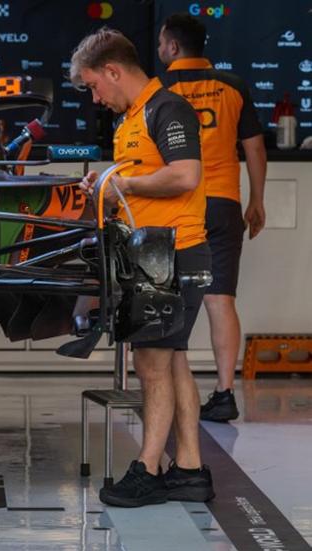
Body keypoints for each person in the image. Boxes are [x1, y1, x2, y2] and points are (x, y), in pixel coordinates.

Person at [70, 28, 214, 507]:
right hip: (153, 255)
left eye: (94, 86)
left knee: (150, 364)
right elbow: (140, 181)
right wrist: (110, 186)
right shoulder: (130, 120)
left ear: (113, 71)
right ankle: (189, 470)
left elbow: (185, 175)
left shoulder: (167, 109)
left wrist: (125, 185)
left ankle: (147, 469)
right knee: (172, 362)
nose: (95, 98)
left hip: (175, 254)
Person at [158, 13, 267, 423]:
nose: (160, 50)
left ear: (172, 47)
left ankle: (170, 386)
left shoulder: (160, 90)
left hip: (178, 203)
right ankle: (224, 393)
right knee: (221, 300)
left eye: (161, 43)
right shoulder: (233, 86)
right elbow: (254, 148)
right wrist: (257, 201)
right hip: (224, 203)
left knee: (168, 296)